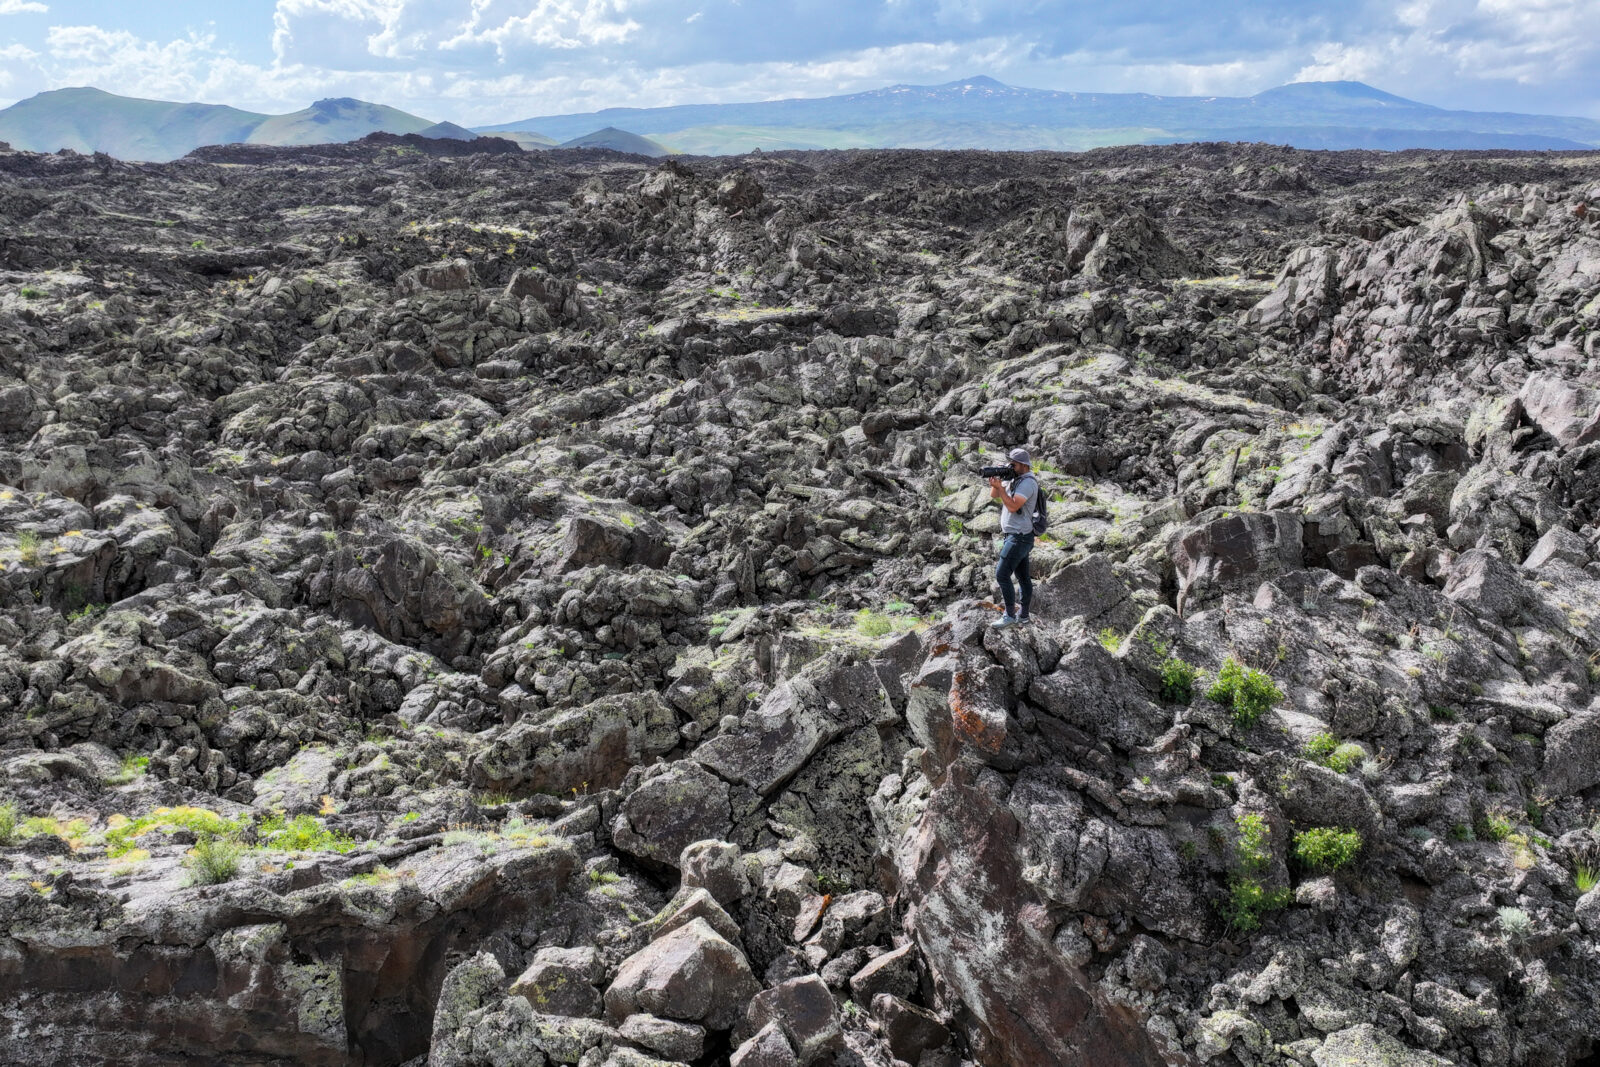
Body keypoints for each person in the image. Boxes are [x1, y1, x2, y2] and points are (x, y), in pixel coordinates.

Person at [988, 447, 1037, 628]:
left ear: (1023, 465)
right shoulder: (1013, 478)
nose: (1010, 466)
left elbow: (1013, 507)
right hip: (1014, 535)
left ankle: (1009, 616)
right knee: (1023, 577)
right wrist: (997, 483)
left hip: (1020, 537)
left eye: (1013, 464)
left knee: (1001, 574)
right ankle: (1023, 616)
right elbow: (994, 495)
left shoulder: (1027, 483)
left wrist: (1002, 489)